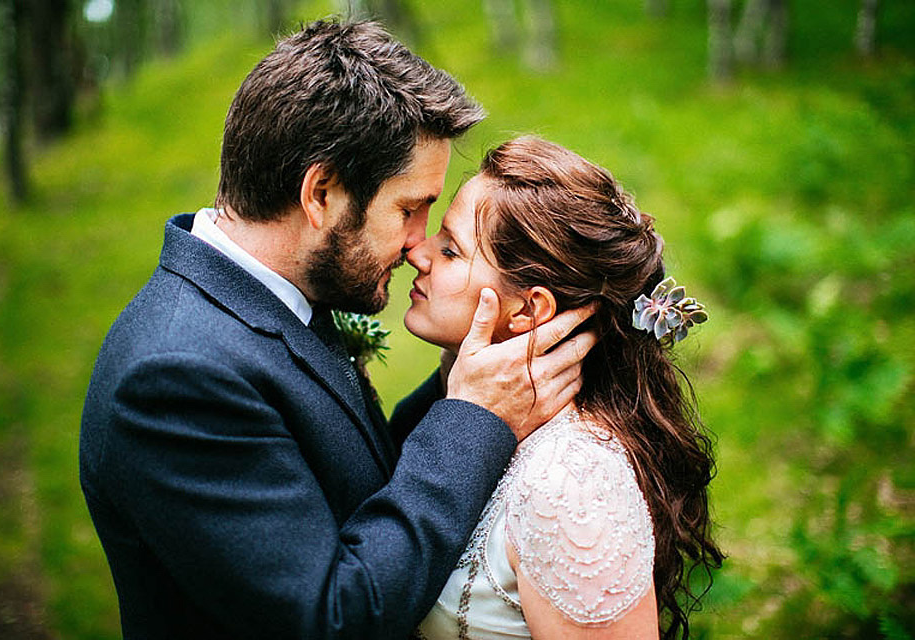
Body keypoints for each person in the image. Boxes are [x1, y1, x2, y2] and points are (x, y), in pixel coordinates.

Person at [79, 22, 595, 640]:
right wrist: (476, 419)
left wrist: (472, 378)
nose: (416, 245)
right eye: (408, 209)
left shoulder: (276, 296)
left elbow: (349, 472)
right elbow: (333, 616)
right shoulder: (176, 378)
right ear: (321, 193)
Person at [405, 136, 725, 640]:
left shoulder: (572, 485)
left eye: (450, 249)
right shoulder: (464, 409)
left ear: (529, 310)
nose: (417, 253)